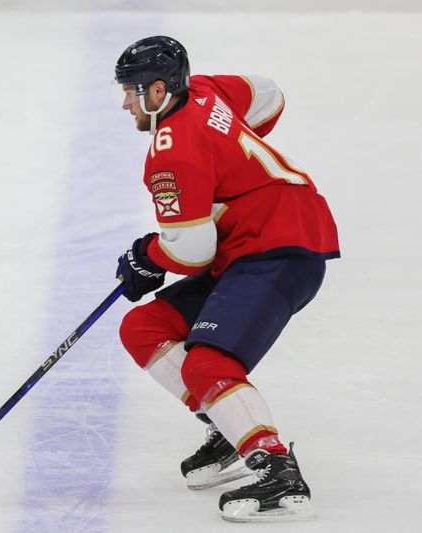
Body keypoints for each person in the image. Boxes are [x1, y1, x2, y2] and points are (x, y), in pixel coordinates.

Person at [113, 36, 339, 523]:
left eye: (131, 91)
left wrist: (146, 256)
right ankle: (229, 427)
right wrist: (229, 158)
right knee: (143, 328)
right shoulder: (206, 91)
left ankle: (277, 470)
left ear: (157, 92)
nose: (125, 102)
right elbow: (270, 94)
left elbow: (193, 253)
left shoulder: (170, 155)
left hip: (278, 249)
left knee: (205, 363)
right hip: (256, 244)